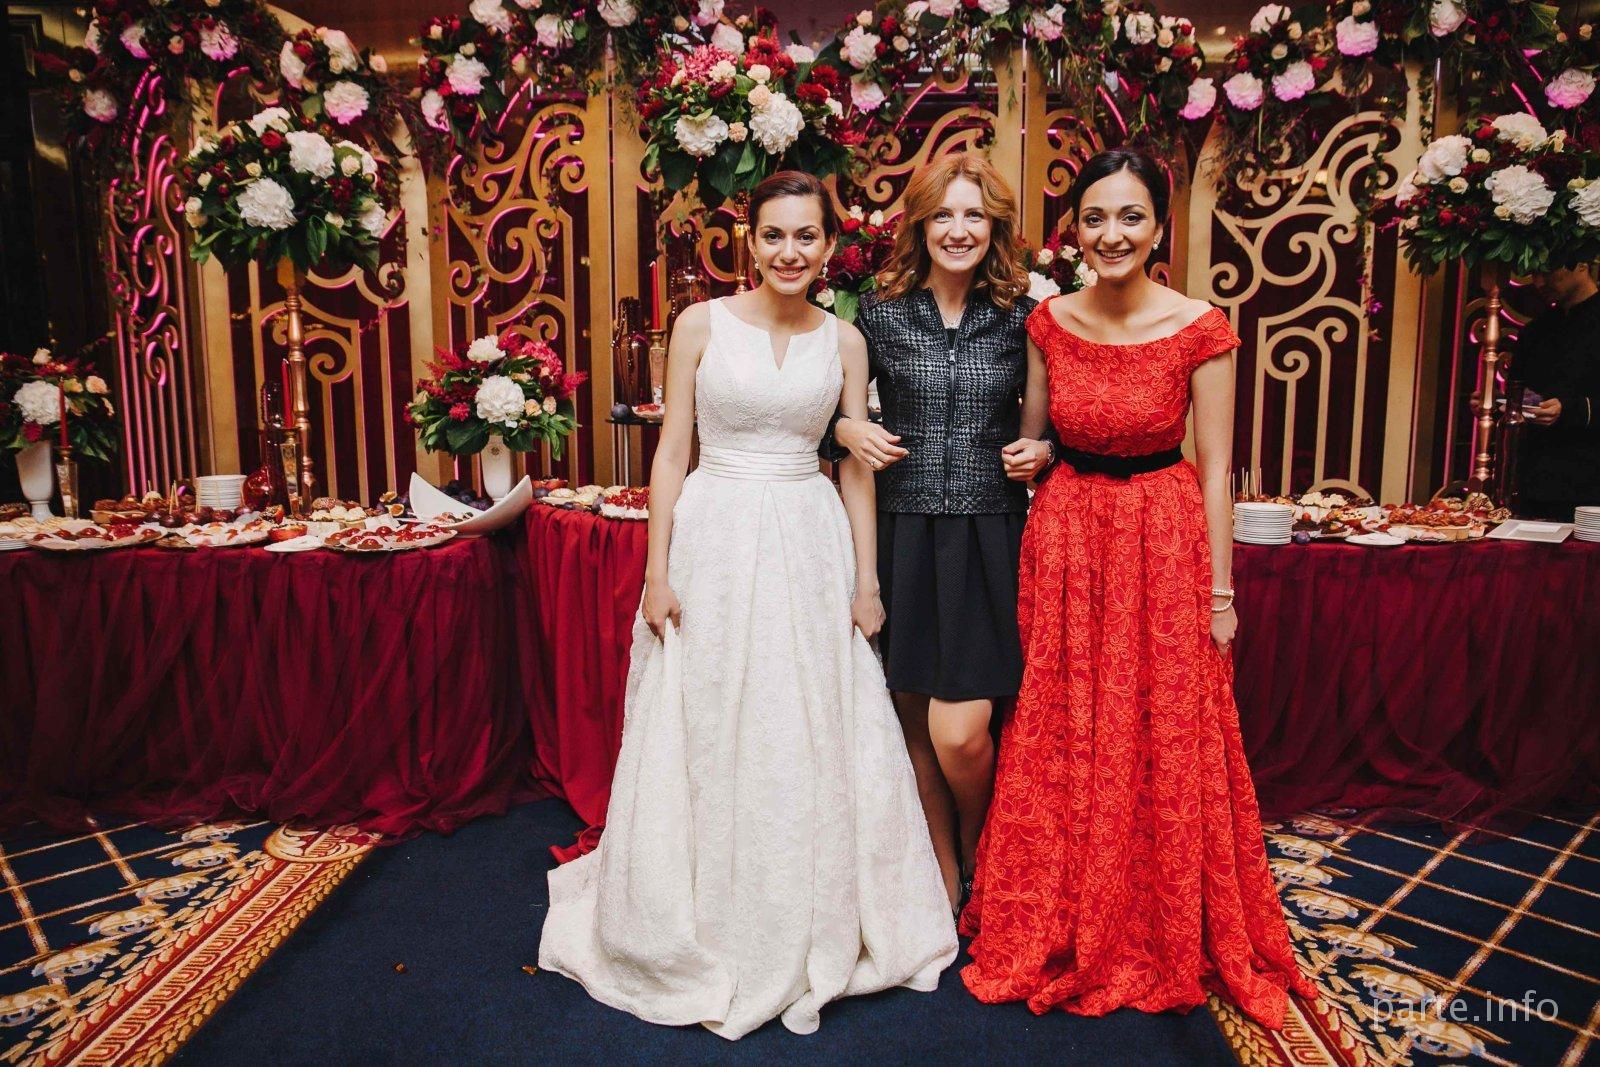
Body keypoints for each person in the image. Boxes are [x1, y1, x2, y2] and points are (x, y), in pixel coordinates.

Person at [538, 171, 957, 1040]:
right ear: (749, 241)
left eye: (806, 236)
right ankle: (697, 906)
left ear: (829, 245)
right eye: (773, 235)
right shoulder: (700, 324)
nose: (789, 252)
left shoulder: (846, 341)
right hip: (716, 533)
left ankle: (811, 907)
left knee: (801, 718)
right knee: (709, 713)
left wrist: (866, 583)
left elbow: (855, 469)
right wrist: (657, 571)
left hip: (807, 534)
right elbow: (671, 453)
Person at [959, 148, 1313, 1029]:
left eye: (1130, 217)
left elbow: (1216, 468)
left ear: (1159, 228)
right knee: (1062, 723)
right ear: (1074, 229)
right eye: (1094, 218)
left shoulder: (1200, 326)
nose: (1110, 234)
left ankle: (1154, 920)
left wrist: (1221, 594)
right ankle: (1067, 909)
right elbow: (1037, 438)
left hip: (1161, 537)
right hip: (1069, 536)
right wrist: (1031, 455)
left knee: (1161, 725)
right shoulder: (1049, 321)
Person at [827, 152, 1052, 914]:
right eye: (944, 215)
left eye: (974, 215)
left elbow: (1051, 430)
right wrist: (845, 429)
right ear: (920, 225)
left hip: (992, 537)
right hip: (903, 535)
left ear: (995, 228)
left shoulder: (1025, 318)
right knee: (915, 724)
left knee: (963, 730)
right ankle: (945, 870)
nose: (959, 230)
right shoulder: (879, 316)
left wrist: (1045, 450)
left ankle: (983, 837)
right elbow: (828, 418)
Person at [1510, 263, 1600, 517]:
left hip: (1592, 487)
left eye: (1548, 271)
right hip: (1535, 482)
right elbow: (1521, 394)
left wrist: (1572, 409)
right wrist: (1497, 404)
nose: (1539, 282)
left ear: (1581, 264)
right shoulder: (1535, 331)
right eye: (1534, 273)